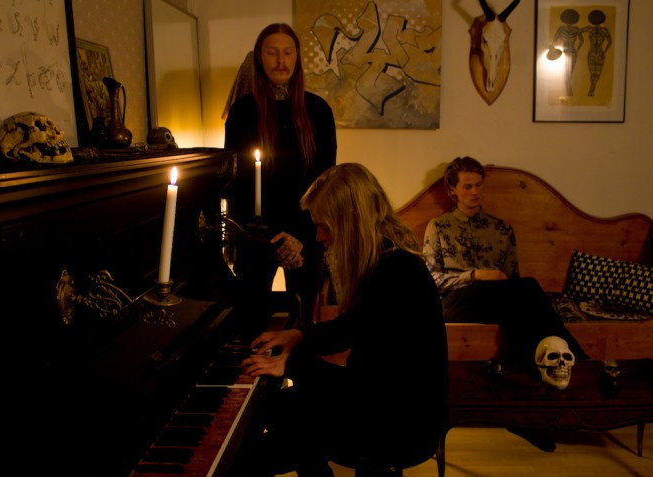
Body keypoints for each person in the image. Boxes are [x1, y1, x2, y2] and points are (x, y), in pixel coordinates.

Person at [241, 163, 448, 477]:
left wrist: (293, 364)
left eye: (324, 226)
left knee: (272, 432)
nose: (319, 237)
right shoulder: (386, 259)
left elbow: (371, 386)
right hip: (389, 406)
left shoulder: (396, 273)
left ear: (352, 220)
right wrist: (300, 336)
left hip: (402, 423)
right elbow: (354, 326)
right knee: (282, 411)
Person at [422, 156, 588, 451]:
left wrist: (498, 282)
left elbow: (513, 284)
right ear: (452, 190)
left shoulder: (501, 229)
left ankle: (525, 417)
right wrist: (477, 275)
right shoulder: (439, 227)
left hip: (497, 301)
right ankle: (580, 360)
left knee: (522, 306)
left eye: (479, 185)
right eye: (468, 186)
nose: (475, 191)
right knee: (529, 290)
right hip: (454, 303)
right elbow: (431, 279)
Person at [224, 23, 337, 331]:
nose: (280, 60)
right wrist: (275, 238)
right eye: (272, 52)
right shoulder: (242, 112)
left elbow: (325, 181)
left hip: (306, 236)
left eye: (287, 52)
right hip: (256, 235)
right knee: (250, 322)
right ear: (259, 57)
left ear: (297, 57)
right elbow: (238, 182)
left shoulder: (319, 110)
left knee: (304, 324)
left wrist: (297, 237)